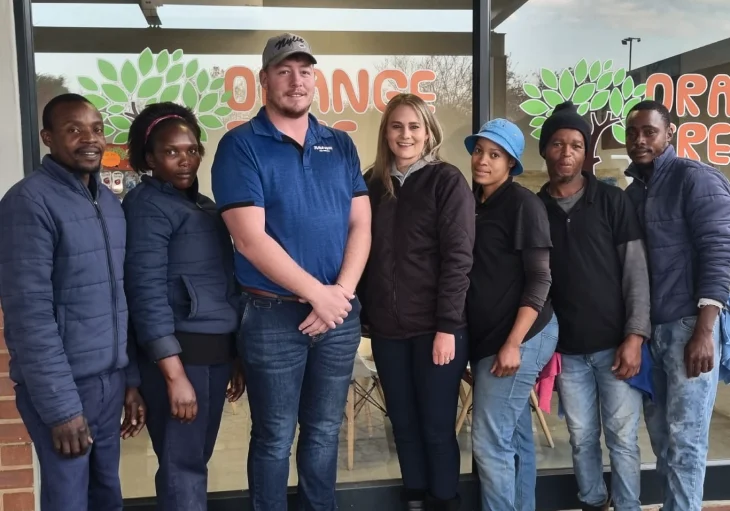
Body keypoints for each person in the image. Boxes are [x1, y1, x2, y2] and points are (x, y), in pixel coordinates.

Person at [210, 33, 371, 510]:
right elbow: (250, 238)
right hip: (272, 316)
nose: (295, 80)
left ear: (315, 78)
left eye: (304, 70)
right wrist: (317, 296)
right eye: (283, 70)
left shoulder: (339, 144)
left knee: (324, 433)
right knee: (275, 437)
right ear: (264, 80)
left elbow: (361, 223)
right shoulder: (241, 146)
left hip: (338, 316)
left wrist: (338, 293)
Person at [0, 93, 145, 510]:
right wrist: (62, 409)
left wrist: (130, 379)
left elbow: (120, 300)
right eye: (73, 129)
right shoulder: (28, 202)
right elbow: (29, 317)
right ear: (47, 137)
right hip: (65, 388)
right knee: (68, 501)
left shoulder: (109, 205)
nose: (89, 138)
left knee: (107, 496)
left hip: (110, 382)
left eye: (96, 129)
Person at [123, 102, 246, 510]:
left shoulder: (205, 205)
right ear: (149, 157)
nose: (185, 159)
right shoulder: (147, 206)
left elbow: (224, 283)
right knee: (182, 467)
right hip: (180, 359)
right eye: (172, 151)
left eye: (192, 149)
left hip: (213, 354)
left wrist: (234, 357)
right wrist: (173, 376)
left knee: (196, 461)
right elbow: (146, 292)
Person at [358, 93, 474, 511]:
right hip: (389, 331)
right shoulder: (373, 183)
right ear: (386, 132)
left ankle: (443, 501)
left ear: (428, 132)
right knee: (403, 426)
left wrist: (447, 326)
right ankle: (414, 500)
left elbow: (459, 259)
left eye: (414, 126)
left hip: (437, 330)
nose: (405, 135)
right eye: (396, 126)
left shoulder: (446, 180)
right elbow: (358, 249)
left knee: (437, 427)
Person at [536, 101, 651, 511]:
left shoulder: (610, 201)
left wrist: (635, 337)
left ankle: (628, 505)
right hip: (566, 352)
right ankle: (592, 502)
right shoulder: (536, 208)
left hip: (615, 347)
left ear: (586, 154)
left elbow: (636, 272)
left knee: (621, 436)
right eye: (558, 144)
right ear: (545, 150)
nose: (566, 152)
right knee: (582, 436)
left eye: (576, 145)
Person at [624, 100, 730, 511]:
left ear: (669, 133)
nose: (640, 140)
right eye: (633, 133)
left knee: (687, 440)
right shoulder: (633, 193)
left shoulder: (696, 179)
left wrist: (705, 331)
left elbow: (720, 252)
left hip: (689, 327)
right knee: (663, 440)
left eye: (649, 131)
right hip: (650, 332)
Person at [464, 119, 556, 511]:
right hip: (491, 339)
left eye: (494, 154)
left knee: (488, 441)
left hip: (523, 335)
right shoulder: (475, 202)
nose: (483, 160)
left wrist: (513, 344)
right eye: (479, 150)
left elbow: (540, 280)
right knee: (514, 436)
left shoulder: (524, 205)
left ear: (511, 163)